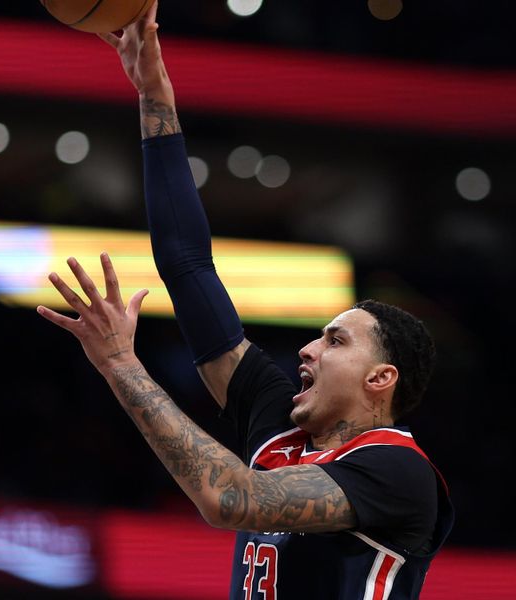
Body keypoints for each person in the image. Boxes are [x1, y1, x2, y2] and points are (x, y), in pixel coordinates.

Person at [37, 3, 454, 598]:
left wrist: (121, 363)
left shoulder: (396, 470)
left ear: (380, 378)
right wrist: (154, 92)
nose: (308, 348)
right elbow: (186, 264)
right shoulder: (277, 421)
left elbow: (232, 498)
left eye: (336, 340)